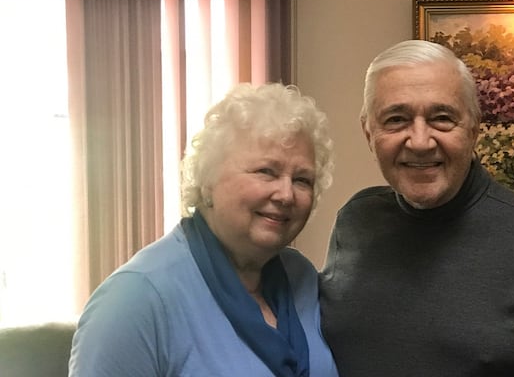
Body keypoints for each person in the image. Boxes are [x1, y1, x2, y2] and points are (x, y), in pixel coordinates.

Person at [320, 40, 514, 376]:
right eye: (396, 119)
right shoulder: (356, 220)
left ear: (474, 129)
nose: (420, 141)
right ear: (369, 133)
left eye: (442, 118)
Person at [69, 83, 339, 377]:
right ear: (207, 179)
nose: (286, 195)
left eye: (302, 180)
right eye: (266, 171)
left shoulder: (300, 276)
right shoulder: (134, 300)